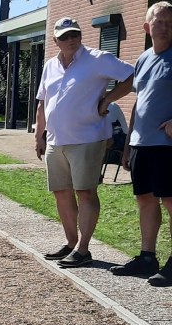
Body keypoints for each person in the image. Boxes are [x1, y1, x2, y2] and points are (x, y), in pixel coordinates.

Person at [33, 16, 134, 268]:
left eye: (75, 34)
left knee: (85, 192)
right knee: (61, 192)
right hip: (55, 141)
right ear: (55, 40)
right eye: (65, 36)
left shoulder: (98, 59)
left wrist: (107, 99)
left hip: (87, 138)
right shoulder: (50, 65)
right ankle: (70, 243)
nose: (71, 40)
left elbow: (132, 76)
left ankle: (83, 249)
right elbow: (43, 103)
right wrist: (39, 135)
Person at [110, 1, 172, 285]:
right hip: (140, 144)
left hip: (166, 145)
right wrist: (127, 144)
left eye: (170, 22)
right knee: (145, 199)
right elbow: (139, 102)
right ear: (147, 27)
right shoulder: (143, 59)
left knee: (170, 200)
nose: (165, 27)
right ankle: (147, 257)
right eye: (159, 22)